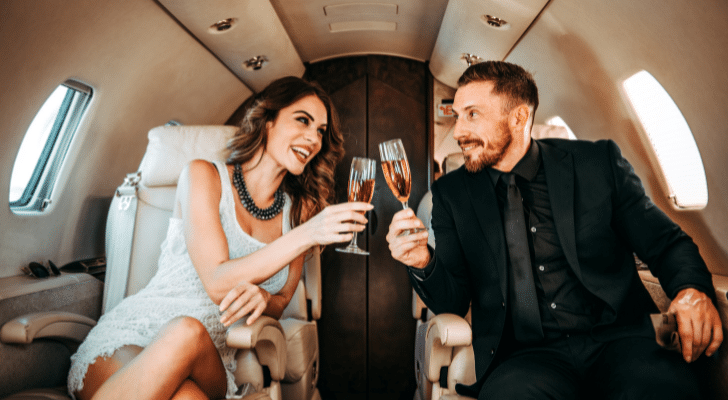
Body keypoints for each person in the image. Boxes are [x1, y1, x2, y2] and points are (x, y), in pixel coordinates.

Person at [386, 61, 722, 399]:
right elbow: (454, 300)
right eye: (458, 115)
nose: (458, 131)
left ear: (518, 118)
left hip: (622, 342)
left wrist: (691, 290)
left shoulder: (596, 163)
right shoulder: (451, 195)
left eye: (472, 114)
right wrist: (422, 262)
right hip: (526, 359)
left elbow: (665, 243)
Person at [67, 76, 373, 400]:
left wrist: (265, 300)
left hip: (210, 359)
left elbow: (282, 300)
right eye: (303, 121)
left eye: (321, 131)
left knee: (190, 335)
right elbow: (217, 281)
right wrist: (307, 234)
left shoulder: (300, 210)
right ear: (268, 122)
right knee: (185, 368)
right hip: (131, 339)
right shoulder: (202, 175)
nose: (313, 138)